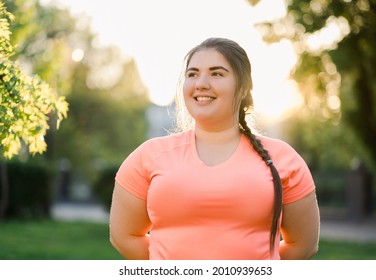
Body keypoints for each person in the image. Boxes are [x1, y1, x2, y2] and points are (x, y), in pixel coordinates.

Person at [109, 37, 320, 260]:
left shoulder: (283, 159)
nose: (201, 83)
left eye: (216, 73)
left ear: (243, 86)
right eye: (192, 74)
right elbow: (124, 236)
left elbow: (303, 245)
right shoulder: (148, 156)